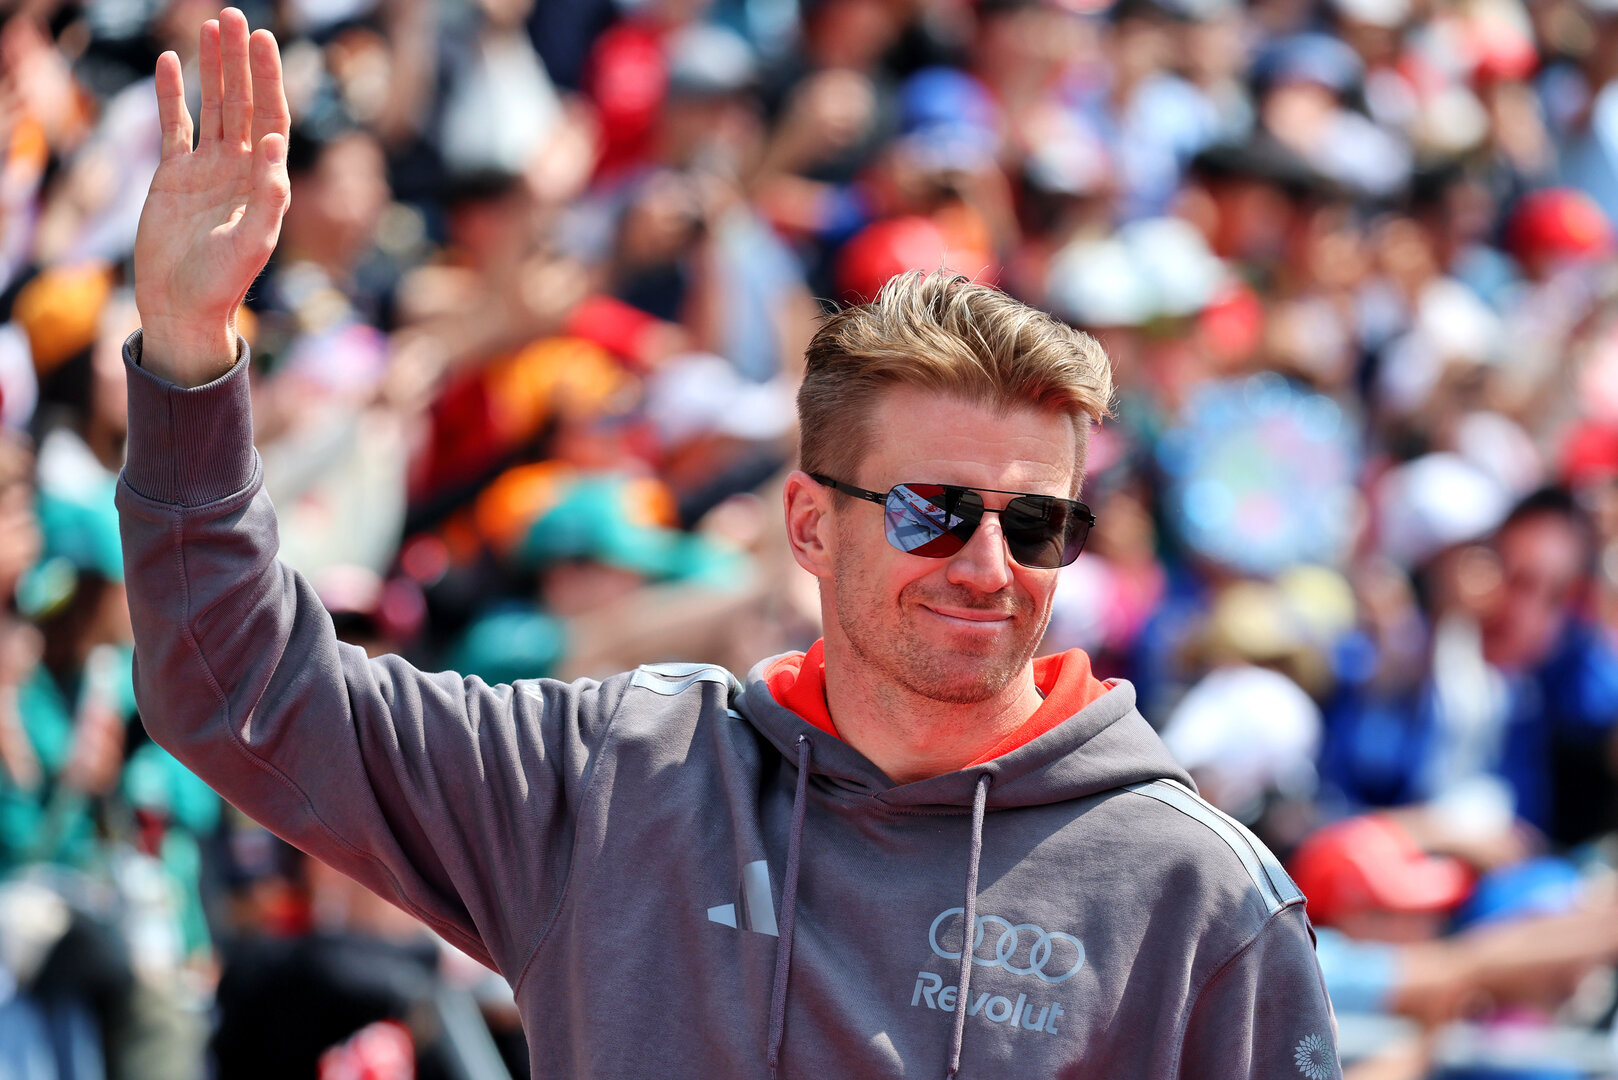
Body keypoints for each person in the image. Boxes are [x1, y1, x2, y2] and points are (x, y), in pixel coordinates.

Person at [119, 9, 1339, 1078]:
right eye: (932, 510)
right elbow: (236, 689)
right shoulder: (614, 781)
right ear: (809, 523)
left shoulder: (1200, 897)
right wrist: (186, 343)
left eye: (1036, 523)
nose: (987, 564)